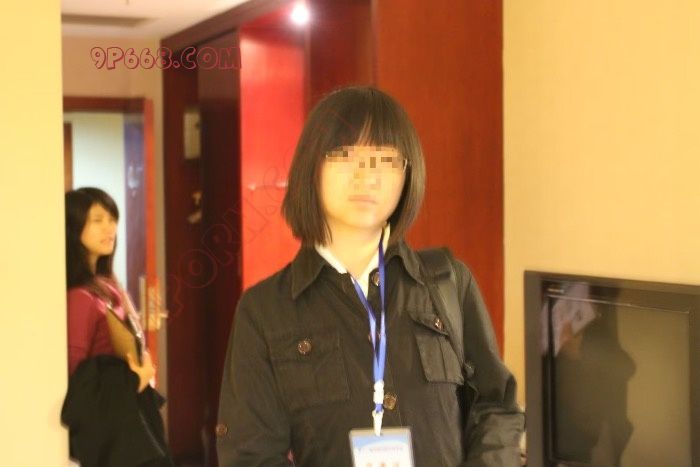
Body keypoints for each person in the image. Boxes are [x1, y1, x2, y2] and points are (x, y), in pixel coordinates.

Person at [216, 86, 524, 466]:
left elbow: (496, 405)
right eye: (347, 157)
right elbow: (250, 455)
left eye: (386, 159)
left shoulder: (448, 283)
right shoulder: (265, 311)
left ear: (407, 174)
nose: (368, 176)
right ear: (313, 167)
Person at [61, 187, 173, 467]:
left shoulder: (106, 287)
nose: (109, 228)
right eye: (97, 220)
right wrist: (136, 379)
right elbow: (75, 378)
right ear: (74, 226)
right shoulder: (81, 298)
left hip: (131, 418)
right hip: (116, 431)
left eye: (112, 219)